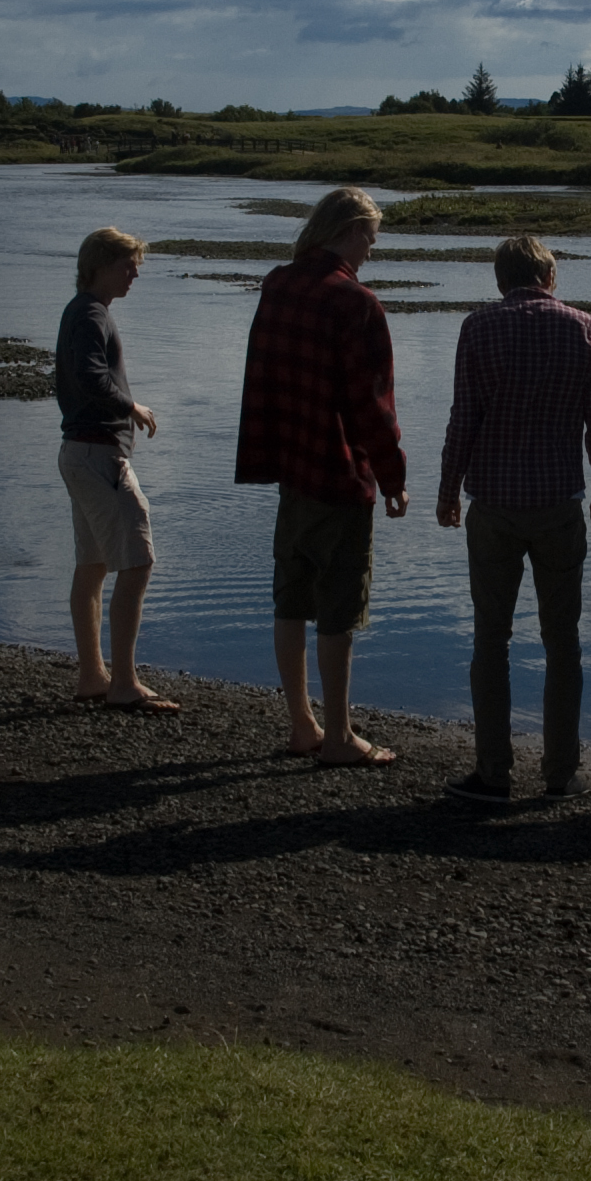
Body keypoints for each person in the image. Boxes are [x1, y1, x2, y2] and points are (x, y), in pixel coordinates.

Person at [435, 235, 591, 804]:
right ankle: (561, 773)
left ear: (500, 280)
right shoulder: (585, 327)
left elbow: (463, 417)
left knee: (491, 639)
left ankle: (494, 773)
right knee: (563, 641)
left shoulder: (478, 327)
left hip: (493, 503)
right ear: (550, 277)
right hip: (560, 503)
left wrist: (447, 490)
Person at [236, 186, 409, 766]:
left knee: (290, 598)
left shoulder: (278, 284)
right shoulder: (356, 303)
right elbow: (372, 405)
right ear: (350, 230)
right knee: (338, 610)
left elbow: (262, 375)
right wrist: (393, 478)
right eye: (371, 239)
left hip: (291, 468)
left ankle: (301, 725)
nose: (371, 251)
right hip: (338, 472)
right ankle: (338, 736)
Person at [56, 226, 173, 711]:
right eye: (128, 265)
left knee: (93, 564)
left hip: (79, 452)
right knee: (137, 561)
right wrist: (132, 406)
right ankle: (123, 682)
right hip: (98, 455)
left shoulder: (82, 310)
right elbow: (89, 375)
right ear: (100, 265)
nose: (135, 275)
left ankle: (92, 675)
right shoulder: (90, 313)